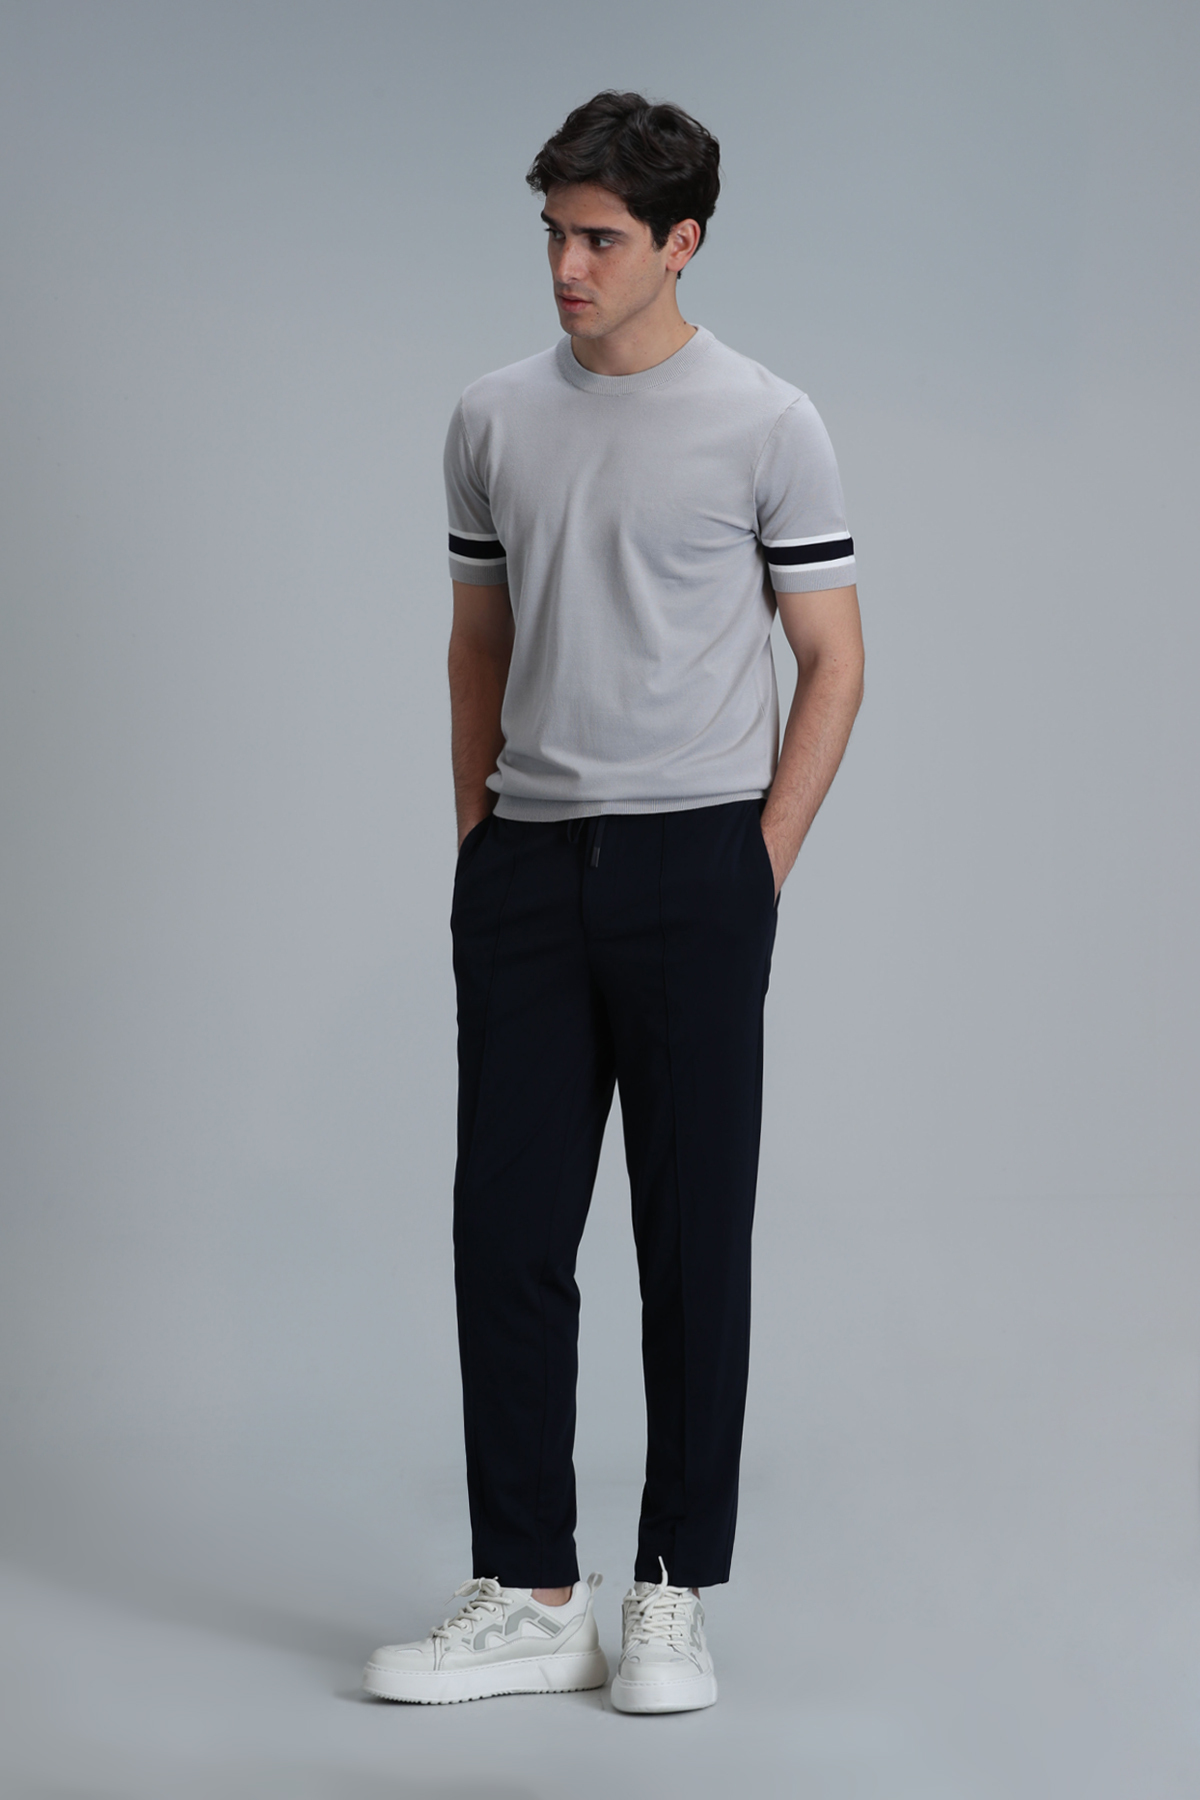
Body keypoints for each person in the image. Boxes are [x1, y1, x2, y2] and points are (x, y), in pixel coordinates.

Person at [363, 90, 864, 1714]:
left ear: (681, 242)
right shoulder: (492, 418)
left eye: (599, 239)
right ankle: (530, 1591)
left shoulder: (769, 422)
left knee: (690, 1243)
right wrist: (479, 841)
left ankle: (670, 1592)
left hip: (696, 867)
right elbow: (478, 643)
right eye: (553, 235)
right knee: (504, 1237)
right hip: (526, 866)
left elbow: (834, 659)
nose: (567, 268)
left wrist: (755, 865)